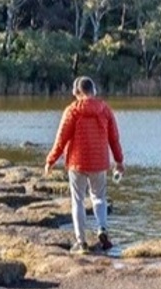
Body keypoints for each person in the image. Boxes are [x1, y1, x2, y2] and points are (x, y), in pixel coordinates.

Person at [45, 76, 124, 253]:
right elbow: (114, 139)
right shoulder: (105, 110)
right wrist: (119, 161)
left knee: (78, 201)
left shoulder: (72, 111)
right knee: (99, 198)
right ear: (93, 90)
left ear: (76, 92)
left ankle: (81, 243)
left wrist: (51, 160)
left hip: (76, 162)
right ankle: (102, 228)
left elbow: (61, 138)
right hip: (99, 161)